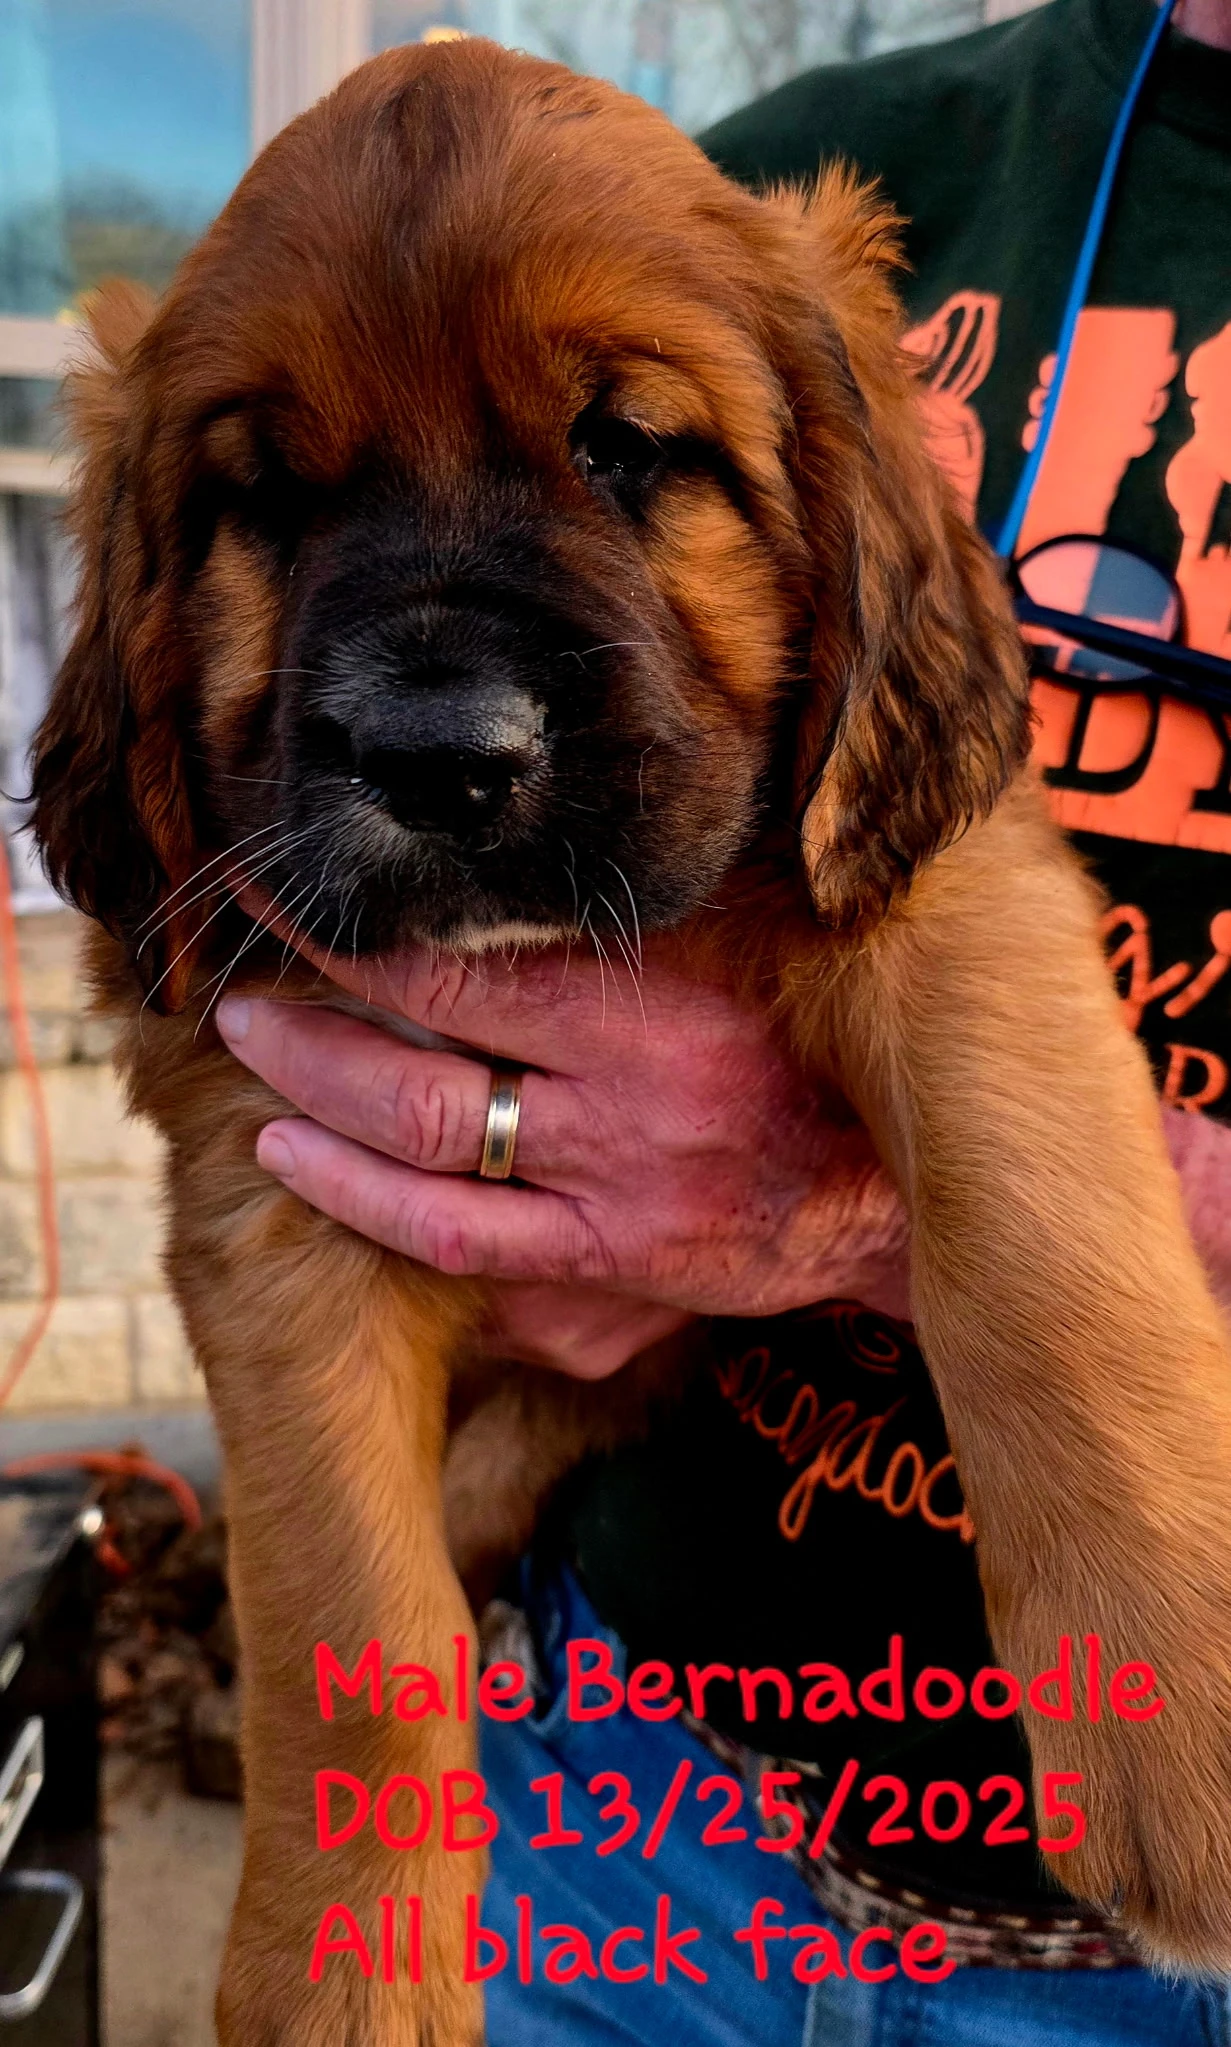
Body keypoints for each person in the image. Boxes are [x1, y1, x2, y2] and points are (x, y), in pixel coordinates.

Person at [214, 0, 1231, 2039]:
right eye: (279, 498)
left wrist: (828, 1202)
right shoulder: (808, 159)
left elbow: (937, 899)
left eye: (620, 454)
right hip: (622, 1820)